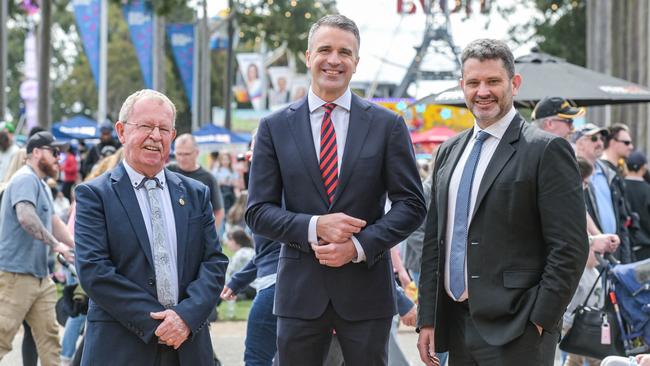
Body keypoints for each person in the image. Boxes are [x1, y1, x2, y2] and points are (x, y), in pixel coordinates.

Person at [246, 14, 426, 365]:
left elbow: (411, 205)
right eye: (325, 49)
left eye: (345, 52)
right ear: (308, 56)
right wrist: (315, 226)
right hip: (300, 294)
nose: (334, 59)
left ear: (356, 63)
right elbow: (257, 212)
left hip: (366, 293)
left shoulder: (387, 125)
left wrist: (359, 245)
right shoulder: (274, 127)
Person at [417, 38, 588, 366]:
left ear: (515, 83)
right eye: (474, 83)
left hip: (519, 329)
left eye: (493, 81)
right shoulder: (449, 152)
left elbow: (570, 246)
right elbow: (434, 242)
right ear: (461, 86)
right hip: (456, 325)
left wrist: (540, 319)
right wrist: (428, 318)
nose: (483, 91)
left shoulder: (546, 150)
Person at [74, 89, 229, 365]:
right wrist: (159, 323)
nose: (155, 136)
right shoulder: (94, 195)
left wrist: (185, 318)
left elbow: (214, 263)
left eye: (163, 128)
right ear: (121, 131)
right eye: (145, 126)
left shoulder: (196, 193)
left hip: (188, 346)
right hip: (121, 348)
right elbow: (94, 271)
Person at [0, 131, 75, 366]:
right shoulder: (25, 178)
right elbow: (25, 216)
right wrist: (56, 245)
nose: (58, 158)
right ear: (36, 153)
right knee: (2, 338)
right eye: (54, 152)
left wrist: (78, 247)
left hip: (41, 278)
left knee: (50, 341)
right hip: (16, 275)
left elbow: (53, 221)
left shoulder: (41, 184)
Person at [574, 124, 634, 263]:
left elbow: (622, 219)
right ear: (580, 144)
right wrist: (596, 239)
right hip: (588, 254)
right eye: (594, 138)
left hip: (611, 250)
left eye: (601, 138)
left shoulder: (610, 174)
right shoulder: (571, 173)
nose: (600, 143)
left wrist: (625, 257)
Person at [168, 133, 225, 229]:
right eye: (179, 154)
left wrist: (209, 237)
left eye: (187, 154)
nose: (182, 158)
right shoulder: (167, 172)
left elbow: (218, 211)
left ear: (197, 152)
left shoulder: (208, 178)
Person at [625, 151, 650, 260]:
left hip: (624, 245)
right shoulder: (647, 189)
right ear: (644, 167)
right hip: (645, 247)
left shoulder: (618, 185)